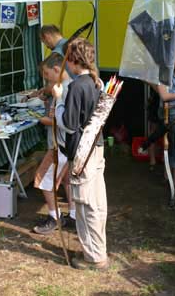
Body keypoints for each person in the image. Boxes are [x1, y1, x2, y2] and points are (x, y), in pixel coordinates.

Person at [53, 37, 109, 271]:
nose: (67, 66)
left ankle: (94, 257)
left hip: (84, 152)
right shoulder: (98, 82)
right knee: (96, 201)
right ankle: (96, 250)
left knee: (87, 205)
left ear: (74, 61)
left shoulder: (78, 85)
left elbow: (68, 123)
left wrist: (58, 101)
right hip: (96, 148)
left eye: (69, 61)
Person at [32, 53, 76, 234]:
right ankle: (73, 215)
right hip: (65, 145)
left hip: (60, 144)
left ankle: (54, 217)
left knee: (43, 179)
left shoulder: (64, 90)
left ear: (57, 70)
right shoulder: (67, 86)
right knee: (67, 180)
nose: (46, 79)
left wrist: (45, 121)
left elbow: (66, 122)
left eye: (47, 74)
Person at [149, 46, 175, 188]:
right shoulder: (163, 72)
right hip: (168, 111)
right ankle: (174, 176)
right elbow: (165, 96)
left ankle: (172, 176)